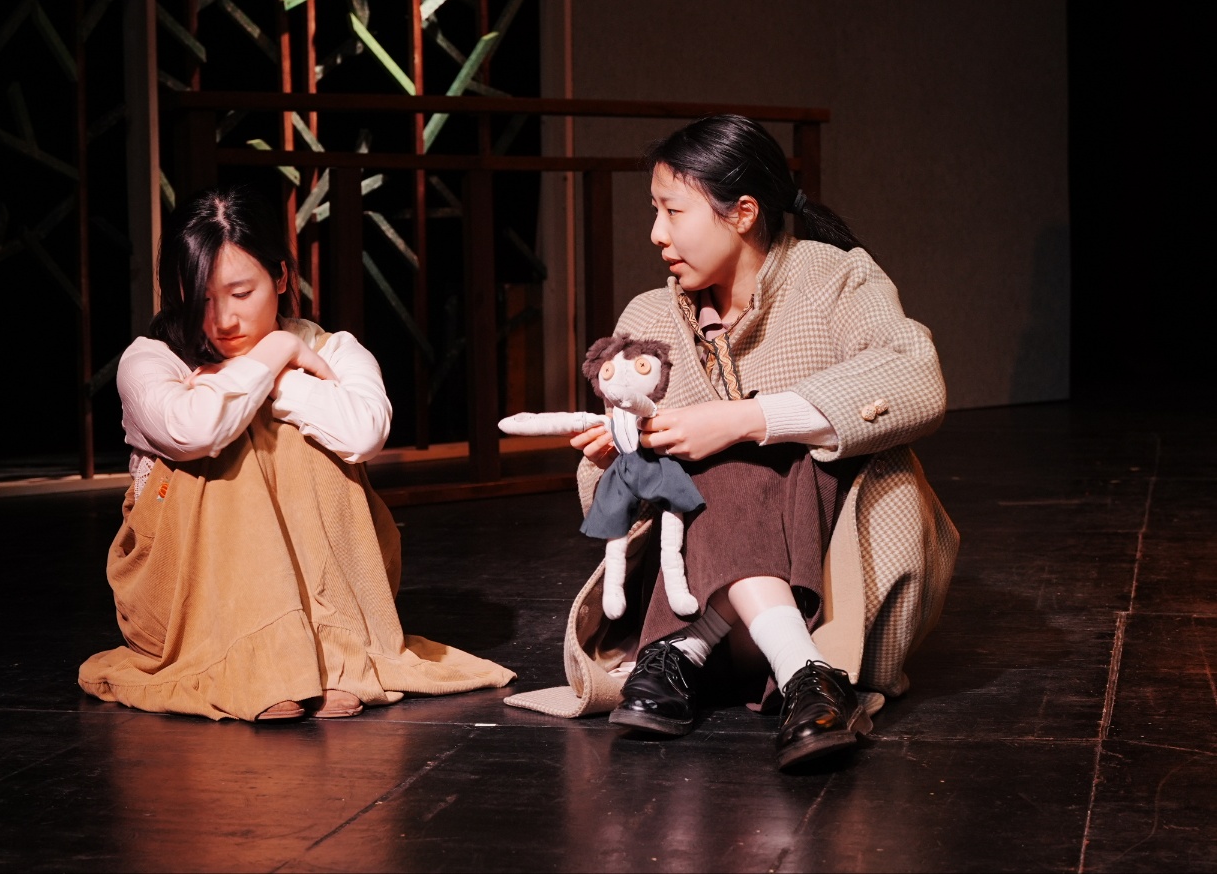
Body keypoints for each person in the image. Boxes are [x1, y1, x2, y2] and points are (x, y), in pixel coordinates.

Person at [504, 115, 958, 770]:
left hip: (827, 594)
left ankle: (679, 653)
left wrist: (746, 420)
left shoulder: (836, 279)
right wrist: (618, 461)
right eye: (654, 211)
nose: (656, 233)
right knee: (699, 462)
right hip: (691, 590)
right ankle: (806, 677)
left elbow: (913, 378)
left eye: (672, 211)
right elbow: (612, 510)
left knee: (744, 448)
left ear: (743, 213)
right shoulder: (648, 318)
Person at [78, 184, 515, 722]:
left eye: (241, 293)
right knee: (228, 441)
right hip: (184, 601)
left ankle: (315, 655)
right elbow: (194, 430)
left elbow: (365, 433)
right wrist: (278, 353)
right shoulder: (150, 359)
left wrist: (276, 377)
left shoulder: (334, 347)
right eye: (202, 299)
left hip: (323, 602)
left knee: (301, 435)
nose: (223, 320)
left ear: (282, 278)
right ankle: (265, 663)